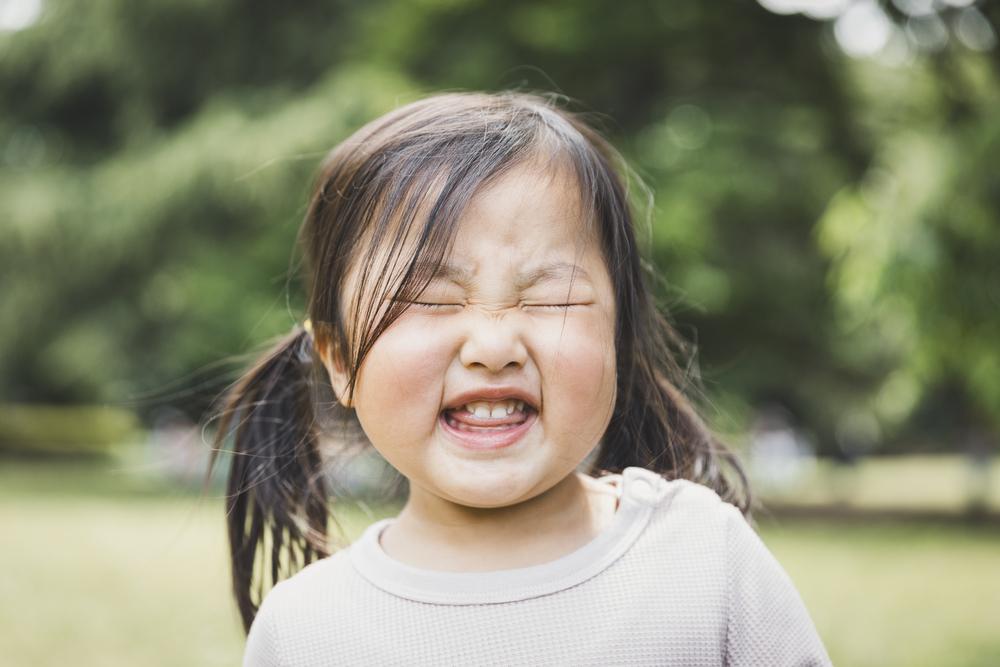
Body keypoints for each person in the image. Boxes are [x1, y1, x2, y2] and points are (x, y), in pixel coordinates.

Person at [207, 90, 833, 666]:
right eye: (427, 297)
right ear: (340, 360)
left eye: (553, 299)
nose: (494, 345)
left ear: (617, 338)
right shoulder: (307, 632)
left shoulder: (703, 561)